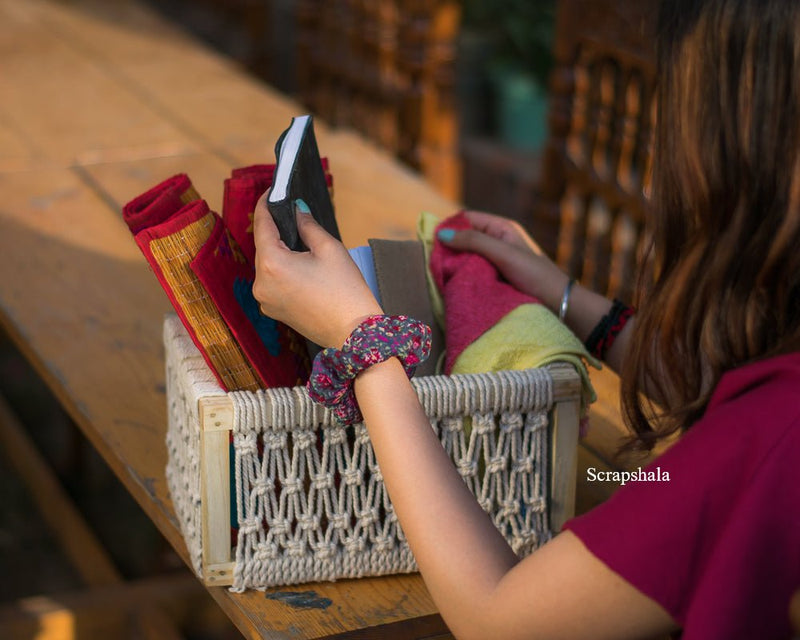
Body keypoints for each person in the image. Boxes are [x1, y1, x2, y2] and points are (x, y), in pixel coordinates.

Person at [251, 0, 800, 637]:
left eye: (683, 118)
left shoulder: (771, 439)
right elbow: (715, 389)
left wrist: (363, 343)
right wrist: (561, 294)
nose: (658, 173)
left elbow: (499, 620)